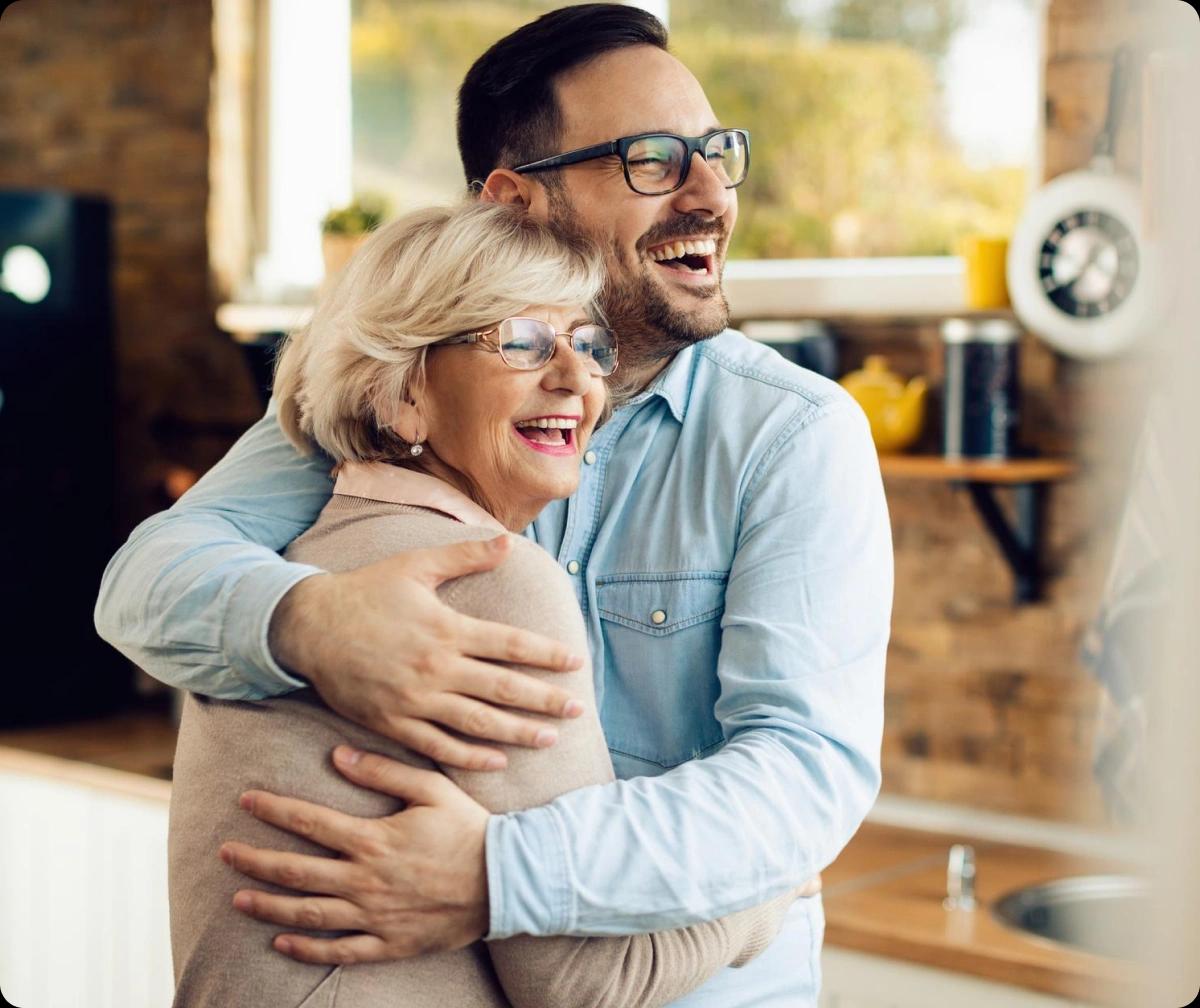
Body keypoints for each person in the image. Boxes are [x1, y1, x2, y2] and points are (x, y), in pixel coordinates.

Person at [97, 6, 892, 1005]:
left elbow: (803, 771)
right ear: (516, 202)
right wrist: (307, 621)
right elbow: (142, 582)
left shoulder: (792, 434)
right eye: (651, 160)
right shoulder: (403, 393)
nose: (707, 194)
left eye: (714, 153)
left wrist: (493, 875)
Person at [169, 199, 800, 1007]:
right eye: (523, 342)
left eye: (586, 343)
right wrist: (772, 887)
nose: (577, 379)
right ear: (401, 395)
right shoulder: (491, 579)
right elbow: (583, 979)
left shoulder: (287, 563)